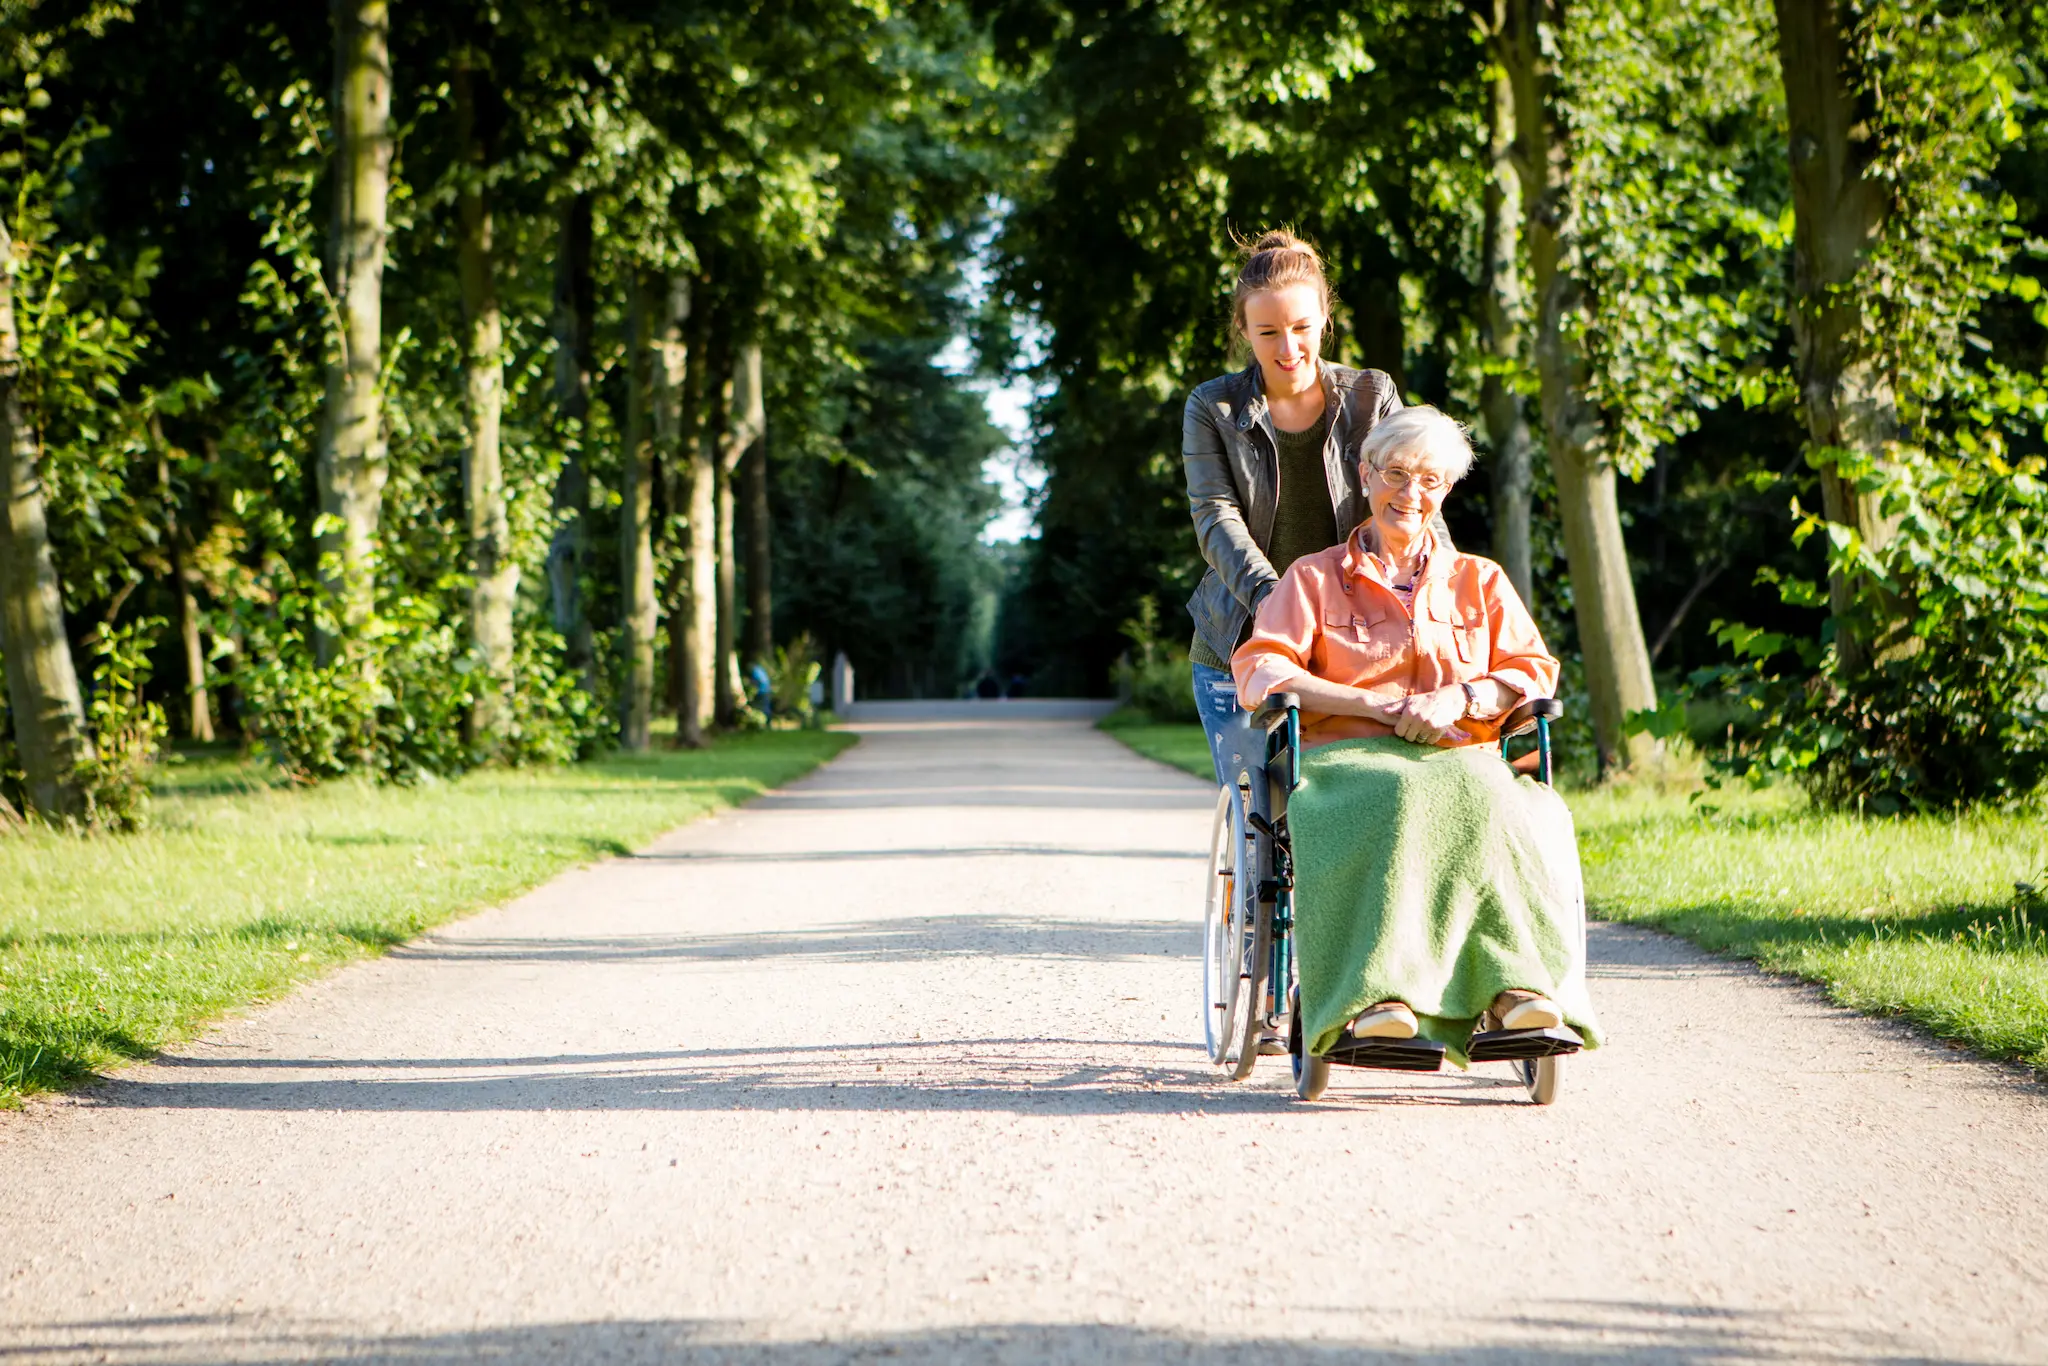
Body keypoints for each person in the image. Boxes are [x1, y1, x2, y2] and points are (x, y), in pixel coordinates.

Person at [1231, 405, 1602, 1064]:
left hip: (1461, 752)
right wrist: (1373, 705)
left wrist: (1464, 696)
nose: (1411, 493)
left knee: (1494, 797)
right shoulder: (1313, 578)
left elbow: (1531, 671)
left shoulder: (1480, 581)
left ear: (1447, 489)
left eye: (1430, 479)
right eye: (1397, 474)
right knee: (1399, 796)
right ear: (1365, 475)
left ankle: (1516, 989)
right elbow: (1264, 670)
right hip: (1345, 759)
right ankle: (1377, 998)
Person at [1182, 229, 1404, 789]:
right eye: (1268, 333)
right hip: (1239, 645)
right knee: (1260, 811)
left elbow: (1414, 506)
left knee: (1349, 807)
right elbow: (1215, 517)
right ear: (1243, 330)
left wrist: (1443, 591)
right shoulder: (1212, 406)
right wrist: (1277, 602)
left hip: (1353, 648)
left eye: (1302, 327)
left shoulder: (1372, 398)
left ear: (1325, 318)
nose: (1288, 349)